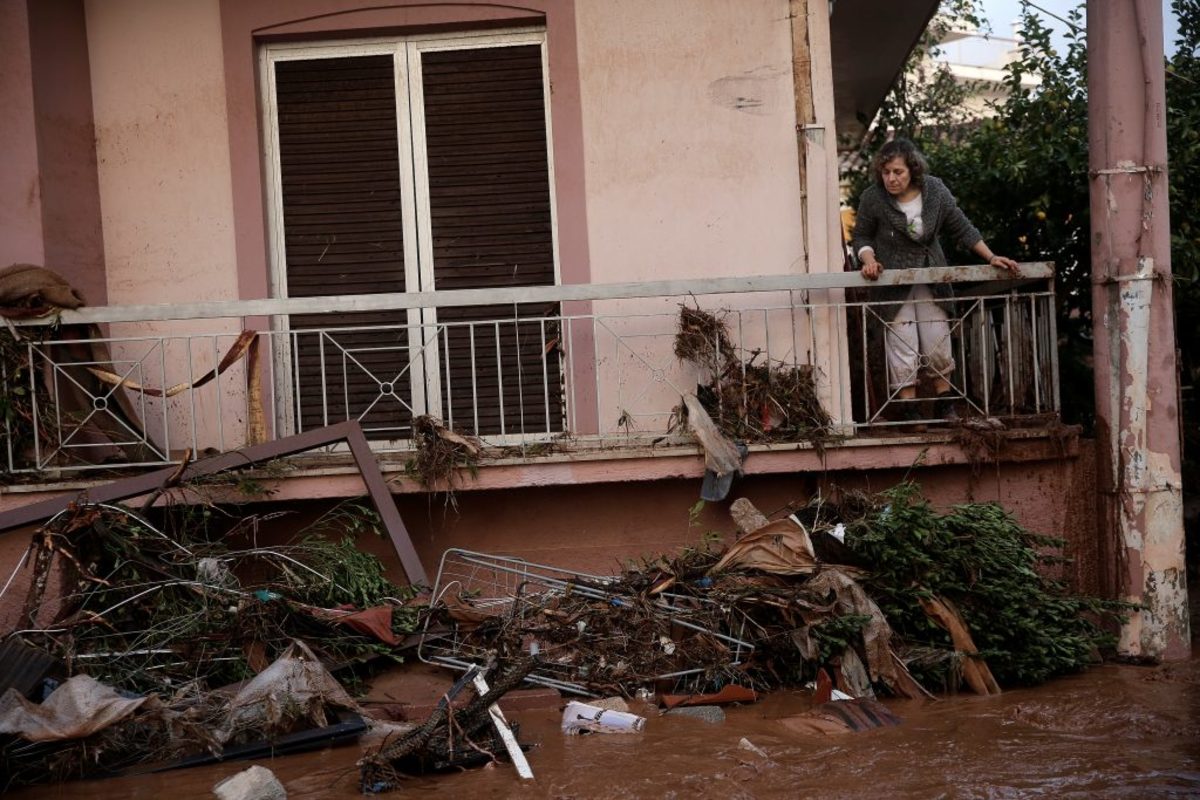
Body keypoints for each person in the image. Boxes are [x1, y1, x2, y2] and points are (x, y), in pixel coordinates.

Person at [851, 138, 1019, 419]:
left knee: (937, 340)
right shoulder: (873, 197)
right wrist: (869, 261)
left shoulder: (935, 191)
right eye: (885, 172)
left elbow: (961, 227)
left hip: (932, 278)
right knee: (902, 342)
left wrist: (991, 257)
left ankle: (945, 403)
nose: (891, 178)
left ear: (913, 170)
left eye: (898, 172)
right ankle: (910, 410)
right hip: (893, 284)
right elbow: (862, 236)